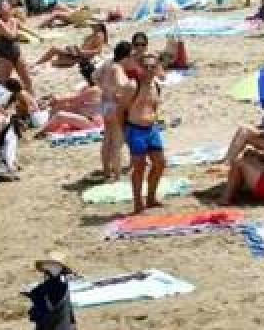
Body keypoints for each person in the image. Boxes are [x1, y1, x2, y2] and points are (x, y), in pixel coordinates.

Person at [117, 52, 166, 214]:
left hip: (151, 129)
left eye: (153, 67)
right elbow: (120, 110)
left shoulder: (157, 86)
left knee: (160, 163)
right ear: (139, 67)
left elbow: (154, 106)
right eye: (146, 67)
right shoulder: (133, 86)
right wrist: (123, 131)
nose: (149, 70)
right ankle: (138, 202)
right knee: (139, 167)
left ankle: (150, 198)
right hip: (135, 129)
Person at [95, 41, 132, 182]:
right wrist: (127, 88)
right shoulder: (118, 68)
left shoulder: (107, 63)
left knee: (107, 140)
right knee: (117, 142)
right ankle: (116, 176)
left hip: (104, 104)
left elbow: (94, 76)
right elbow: (122, 84)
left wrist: (105, 89)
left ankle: (106, 171)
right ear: (126, 56)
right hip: (115, 106)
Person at [0, 0, 34, 98]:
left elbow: (24, 27)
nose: (9, 6)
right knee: (4, 82)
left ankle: (33, 99)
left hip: (16, 52)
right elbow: (11, 35)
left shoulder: (12, 20)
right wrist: (14, 22)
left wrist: (38, 36)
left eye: (8, 5)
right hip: (3, 55)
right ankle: (2, 105)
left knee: (27, 79)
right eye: (5, 5)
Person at [33, 22, 107, 70]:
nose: (91, 25)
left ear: (99, 26)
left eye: (94, 24)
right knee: (58, 54)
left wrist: (82, 52)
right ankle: (40, 63)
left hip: (82, 56)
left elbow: (98, 51)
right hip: (79, 54)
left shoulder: (99, 35)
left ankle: (37, 63)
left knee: (54, 50)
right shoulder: (95, 34)